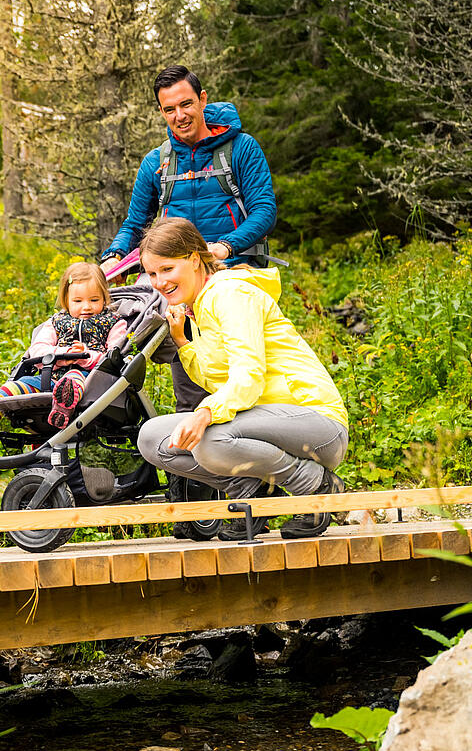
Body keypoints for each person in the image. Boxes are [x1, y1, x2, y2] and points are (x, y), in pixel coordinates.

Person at [136, 218, 349, 540]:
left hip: (314, 423)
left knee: (209, 440)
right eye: (152, 273)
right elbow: (218, 380)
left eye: (167, 269)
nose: (159, 282)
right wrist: (182, 342)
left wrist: (205, 413)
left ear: (194, 259)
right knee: (153, 439)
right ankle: (251, 486)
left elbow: (247, 376)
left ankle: (314, 484)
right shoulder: (200, 306)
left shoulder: (230, 294)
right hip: (263, 427)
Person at [0, 262, 128, 455]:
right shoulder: (55, 323)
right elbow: (37, 350)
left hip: (89, 380)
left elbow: (113, 356)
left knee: (74, 377)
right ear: (66, 300)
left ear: (105, 298)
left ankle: (63, 408)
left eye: (94, 300)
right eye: (78, 301)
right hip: (49, 378)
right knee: (12, 387)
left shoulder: (113, 322)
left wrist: (85, 355)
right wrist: (63, 354)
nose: (86, 307)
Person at [101, 65, 277, 274]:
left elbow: (264, 210)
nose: (180, 115)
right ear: (161, 112)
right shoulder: (155, 162)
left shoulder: (242, 148)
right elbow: (136, 225)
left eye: (186, 104)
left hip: (232, 268)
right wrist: (115, 256)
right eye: (170, 109)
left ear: (202, 99)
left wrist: (225, 247)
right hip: (172, 276)